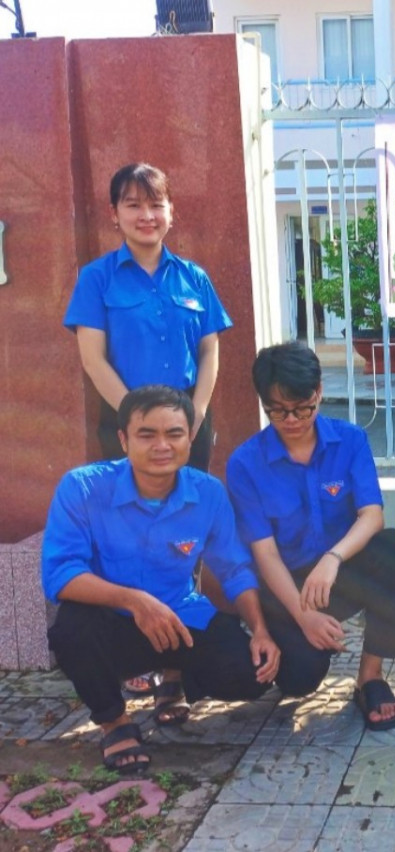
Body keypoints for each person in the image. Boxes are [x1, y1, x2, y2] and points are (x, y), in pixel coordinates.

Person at [42, 386, 279, 775]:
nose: (162, 446)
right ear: (124, 439)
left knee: (251, 674)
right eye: (147, 434)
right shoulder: (82, 487)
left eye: (174, 433)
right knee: (71, 630)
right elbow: (60, 574)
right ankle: (115, 722)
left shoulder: (208, 493)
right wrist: (135, 601)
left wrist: (260, 630)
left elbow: (234, 568)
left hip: (179, 615)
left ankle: (173, 676)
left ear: (190, 438)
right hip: (110, 623)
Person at [64, 162, 234, 699]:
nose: (146, 215)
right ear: (114, 214)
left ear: (170, 212)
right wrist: (137, 420)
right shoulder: (97, 279)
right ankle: (133, 648)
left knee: (186, 534)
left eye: (155, 204)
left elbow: (209, 351)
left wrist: (195, 414)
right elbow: (93, 358)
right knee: (127, 532)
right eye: (133, 204)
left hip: (188, 425)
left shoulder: (193, 278)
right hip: (126, 426)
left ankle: (177, 666)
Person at [225, 342, 395, 731]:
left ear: (319, 393)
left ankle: (370, 677)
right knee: (301, 678)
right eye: (278, 410)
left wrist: (333, 558)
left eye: (302, 408)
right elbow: (265, 554)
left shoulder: (349, 440)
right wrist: (303, 615)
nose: (292, 420)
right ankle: (292, 637)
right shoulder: (245, 463)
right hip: (286, 586)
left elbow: (372, 515)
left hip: (335, 576)